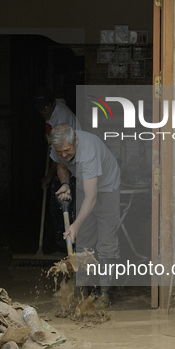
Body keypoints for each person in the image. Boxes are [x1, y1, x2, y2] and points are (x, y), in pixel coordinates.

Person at [49, 123, 121, 308]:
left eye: (67, 150)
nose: (64, 154)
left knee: (106, 241)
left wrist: (75, 224)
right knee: (84, 240)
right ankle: (82, 289)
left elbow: (91, 197)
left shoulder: (88, 152)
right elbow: (60, 164)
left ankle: (104, 293)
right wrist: (65, 183)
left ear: (76, 141)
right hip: (85, 184)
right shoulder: (60, 149)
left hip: (106, 187)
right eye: (60, 151)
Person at [34, 89, 81, 254]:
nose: (43, 112)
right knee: (60, 201)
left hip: (74, 164)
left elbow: (60, 157)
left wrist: (48, 177)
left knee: (62, 202)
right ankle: (64, 247)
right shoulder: (52, 112)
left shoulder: (62, 117)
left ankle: (67, 248)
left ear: (53, 103)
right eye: (40, 110)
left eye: (45, 108)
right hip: (64, 162)